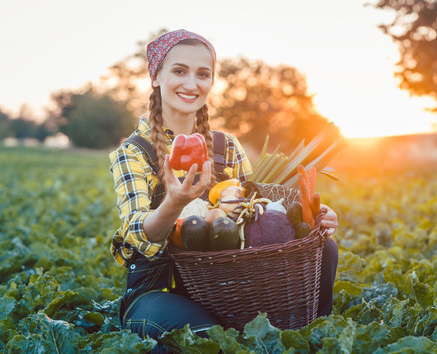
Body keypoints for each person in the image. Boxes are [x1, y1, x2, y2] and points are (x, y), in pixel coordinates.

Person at [109, 29, 339, 353]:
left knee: (325, 249)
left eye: (203, 74)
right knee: (211, 341)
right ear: (156, 76)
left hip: (226, 288)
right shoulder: (134, 152)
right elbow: (137, 233)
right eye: (179, 71)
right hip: (158, 293)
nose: (192, 84)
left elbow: (256, 215)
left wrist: (314, 217)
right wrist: (174, 203)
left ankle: (317, 338)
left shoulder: (225, 146)